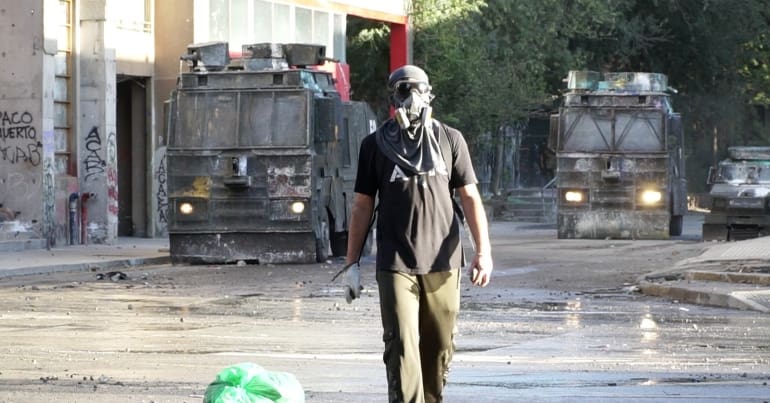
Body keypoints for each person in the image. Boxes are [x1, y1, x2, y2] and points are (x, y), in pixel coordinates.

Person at [342, 64, 493, 402]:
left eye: (417, 89)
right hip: (396, 261)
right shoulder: (374, 145)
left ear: (429, 95)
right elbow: (362, 205)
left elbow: (470, 197)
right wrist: (351, 264)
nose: (411, 97)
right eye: (403, 90)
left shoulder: (450, 139)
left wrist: (483, 252)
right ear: (392, 98)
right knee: (401, 345)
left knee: (439, 346)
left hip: (443, 260)